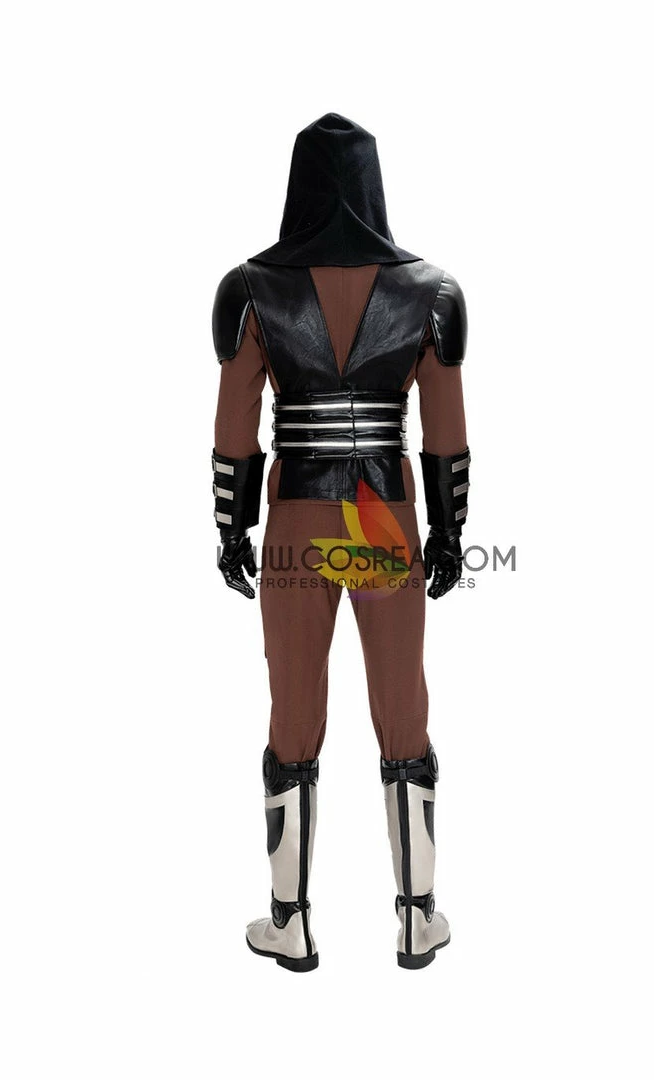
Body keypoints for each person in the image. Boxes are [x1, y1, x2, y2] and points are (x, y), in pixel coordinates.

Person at [211, 113, 470, 970]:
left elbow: (235, 428)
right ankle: (418, 916)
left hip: (297, 520)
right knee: (403, 705)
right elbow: (445, 431)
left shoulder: (252, 289)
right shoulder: (431, 292)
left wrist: (230, 527)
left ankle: (289, 922)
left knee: (292, 709)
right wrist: (451, 532)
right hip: (384, 520)